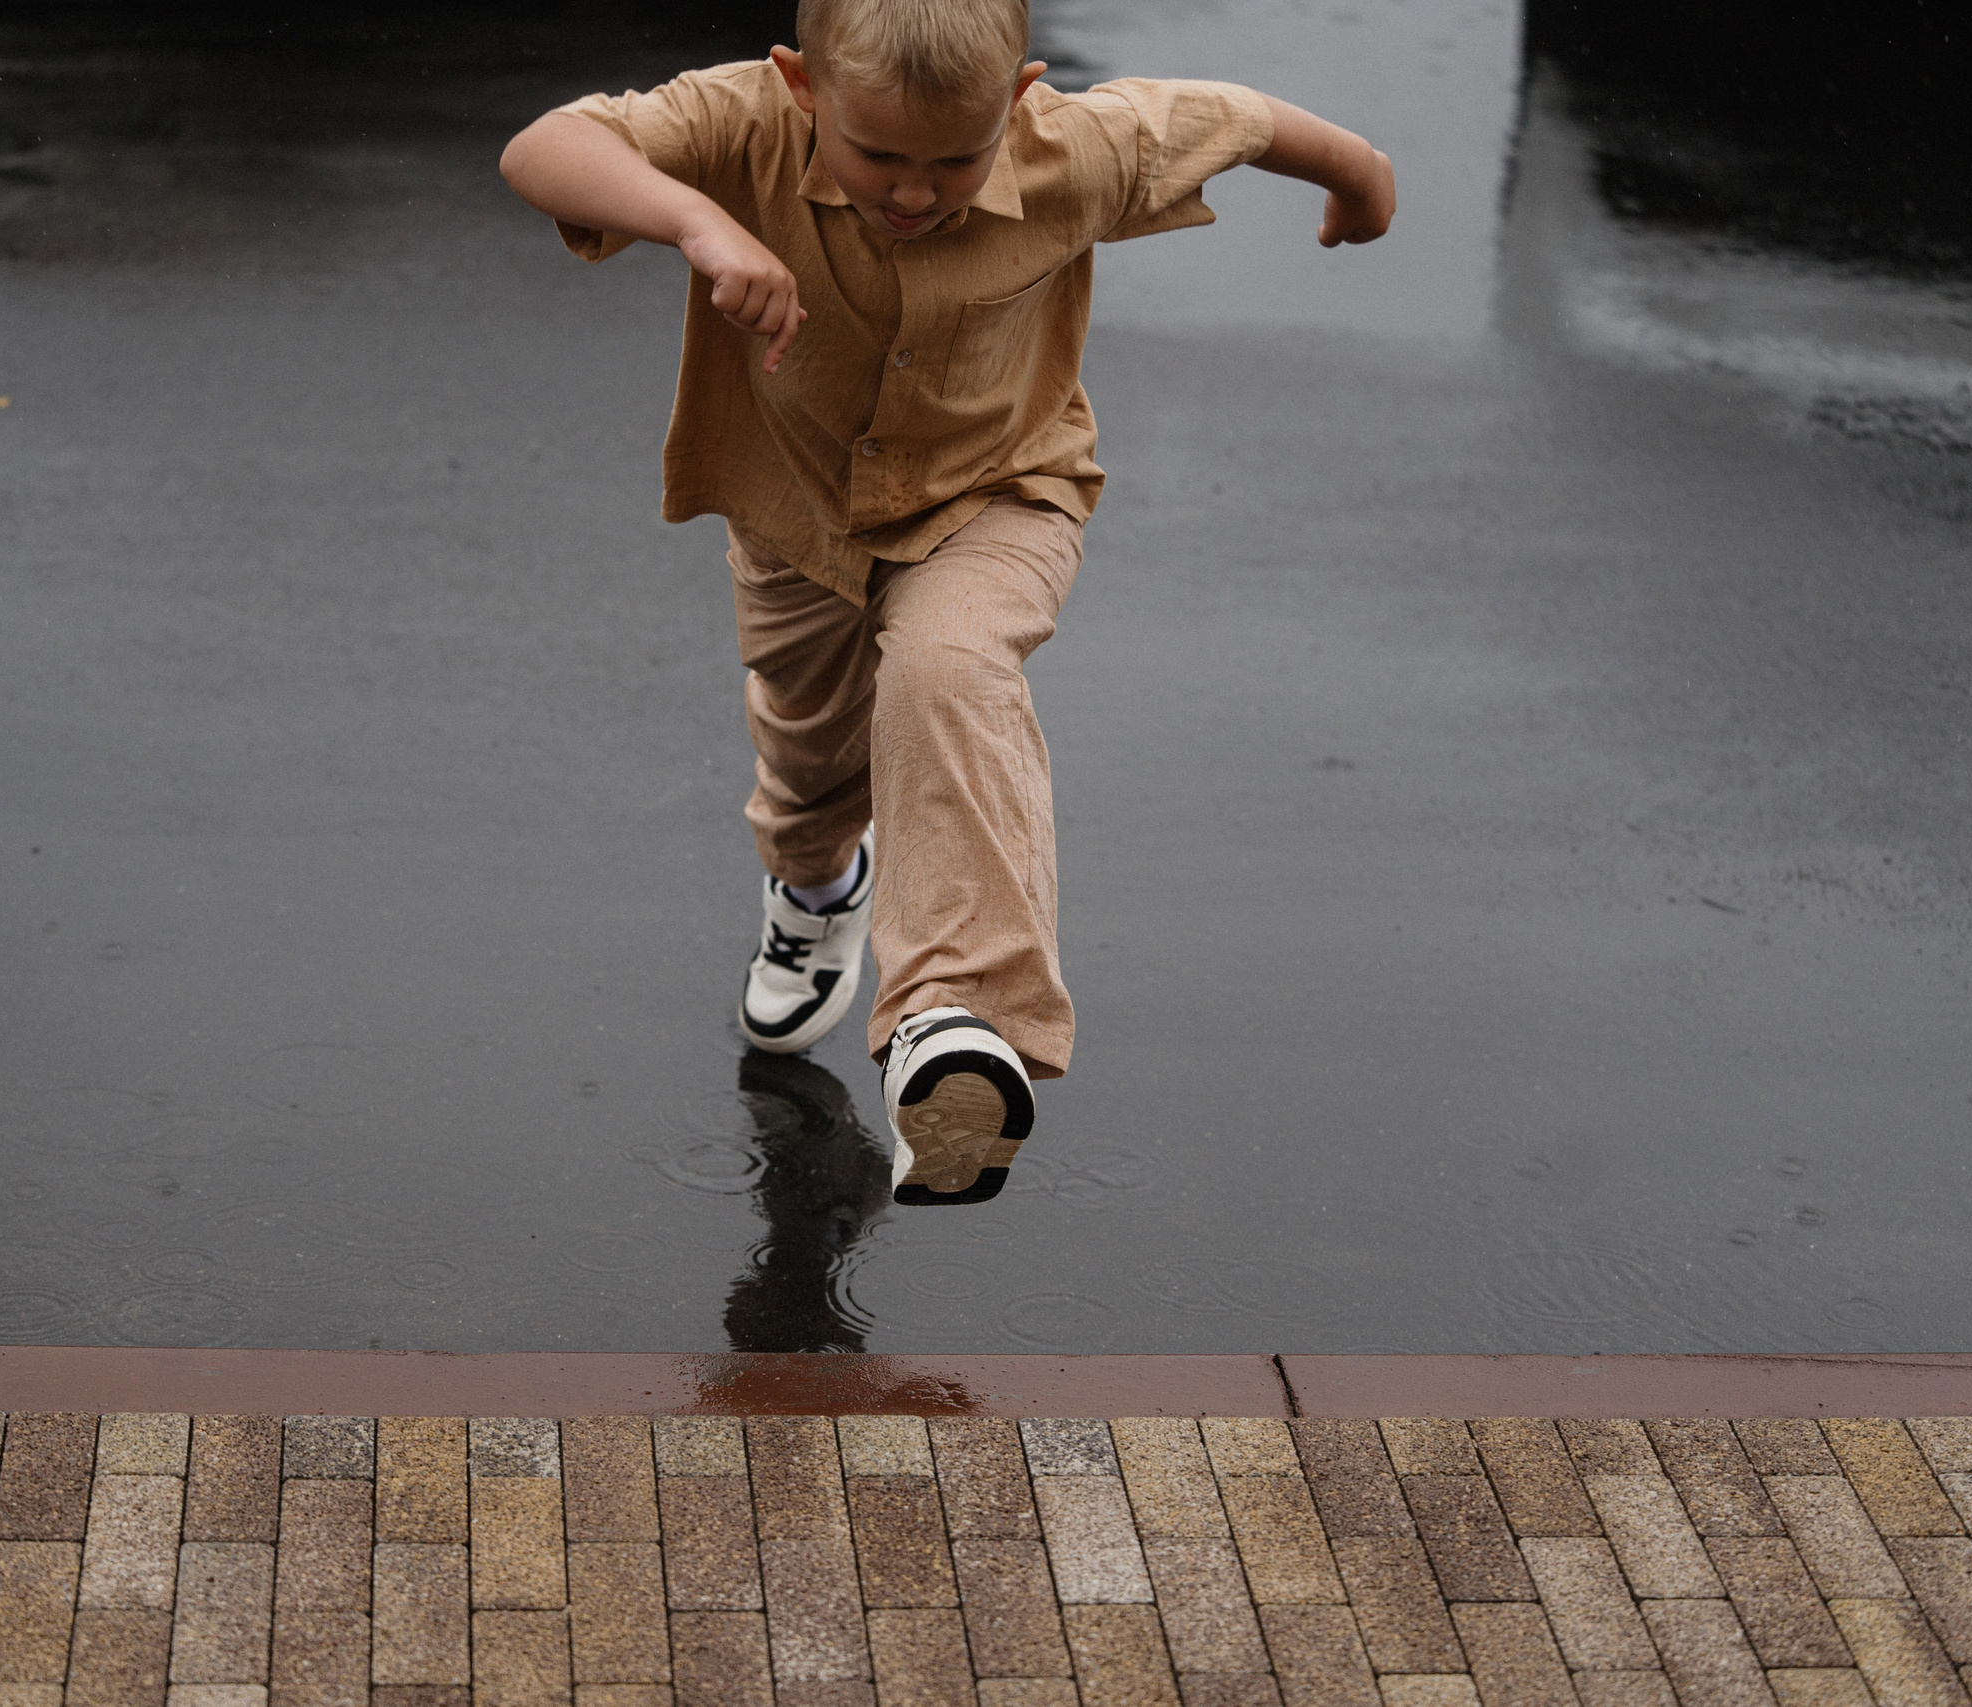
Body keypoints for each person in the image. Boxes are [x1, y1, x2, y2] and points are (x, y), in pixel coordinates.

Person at [499, 0, 1394, 1206]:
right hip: (798, 512)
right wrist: (700, 225)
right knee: (811, 756)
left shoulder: (1076, 148)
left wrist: (1359, 175)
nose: (914, 192)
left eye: (955, 160)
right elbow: (545, 147)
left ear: (1016, 100)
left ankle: (956, 1015)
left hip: (1000, 493)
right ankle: (818, 888)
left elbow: (1240, 120)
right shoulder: (744, 121)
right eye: (879, 156)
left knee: (947, 669)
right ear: (803, 87)